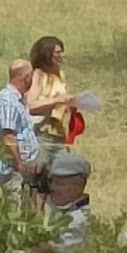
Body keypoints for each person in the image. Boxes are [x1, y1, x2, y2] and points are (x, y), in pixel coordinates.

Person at [26, 151, 93, 253]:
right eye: (51, 182)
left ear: (79, 185)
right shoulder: (64, 207)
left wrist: (36, 214)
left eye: (60, 184)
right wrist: (34, 183)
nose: (53, 188)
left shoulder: (80, 220)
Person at [0, 58, 40, 199]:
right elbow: (8, 138)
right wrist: (19, 165)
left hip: (23, 168)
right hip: (14, 171)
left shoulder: (16, 100)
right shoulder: (8, 102)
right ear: (26, 78)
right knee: (15, 214)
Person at [28, 36, 78, 169]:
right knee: (39, 176)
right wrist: (57, 100)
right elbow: (31, 106)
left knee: (62, 174)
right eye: (57, 52)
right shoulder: (38, 75)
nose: (61, 55)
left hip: (60, 135)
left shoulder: (60, 75)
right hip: (41, 135)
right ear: (47, 54)